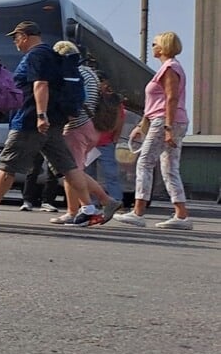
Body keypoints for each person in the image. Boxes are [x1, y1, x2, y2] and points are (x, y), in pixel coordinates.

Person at [0, 22, 120, 225]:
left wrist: (41, 115)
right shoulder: (55, 56)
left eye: (15, 38)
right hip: (55, 122)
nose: (15, 42)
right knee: (68, 166)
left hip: (31, 120)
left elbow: (40, 84)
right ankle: (90, 208)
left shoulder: (36, 55)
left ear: (25, 36)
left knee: (8, 165)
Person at [115, 31, 193, 230]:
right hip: (169, 121)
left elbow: (171, 98)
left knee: (145, 162)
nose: (152, 47)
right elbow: (156, 102)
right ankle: (182, 215)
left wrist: (166, 127)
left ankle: (138, 212)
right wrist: (142, 126)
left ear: (163, 46)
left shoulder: (170, 67)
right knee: (169, 168)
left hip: (166, 121)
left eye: (154, 44)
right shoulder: (170, 67)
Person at [47, 41, 106, 226]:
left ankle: (77, 210)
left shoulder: (75, 73)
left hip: (76, 127)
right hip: (91, 126)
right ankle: (89, 206)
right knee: (75, 169)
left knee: (70, 171)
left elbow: (74, 102)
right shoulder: (91, 73)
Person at [87, 71, 125, 207]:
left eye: (102, 81)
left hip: (106, 142)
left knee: (111, 173)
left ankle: (116, 201)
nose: (101, 84)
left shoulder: (114, 99)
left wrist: (116, 135)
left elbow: (120, 117)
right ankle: (92, 202)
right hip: (89, 142)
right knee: (89, 174)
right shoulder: (90, 97)